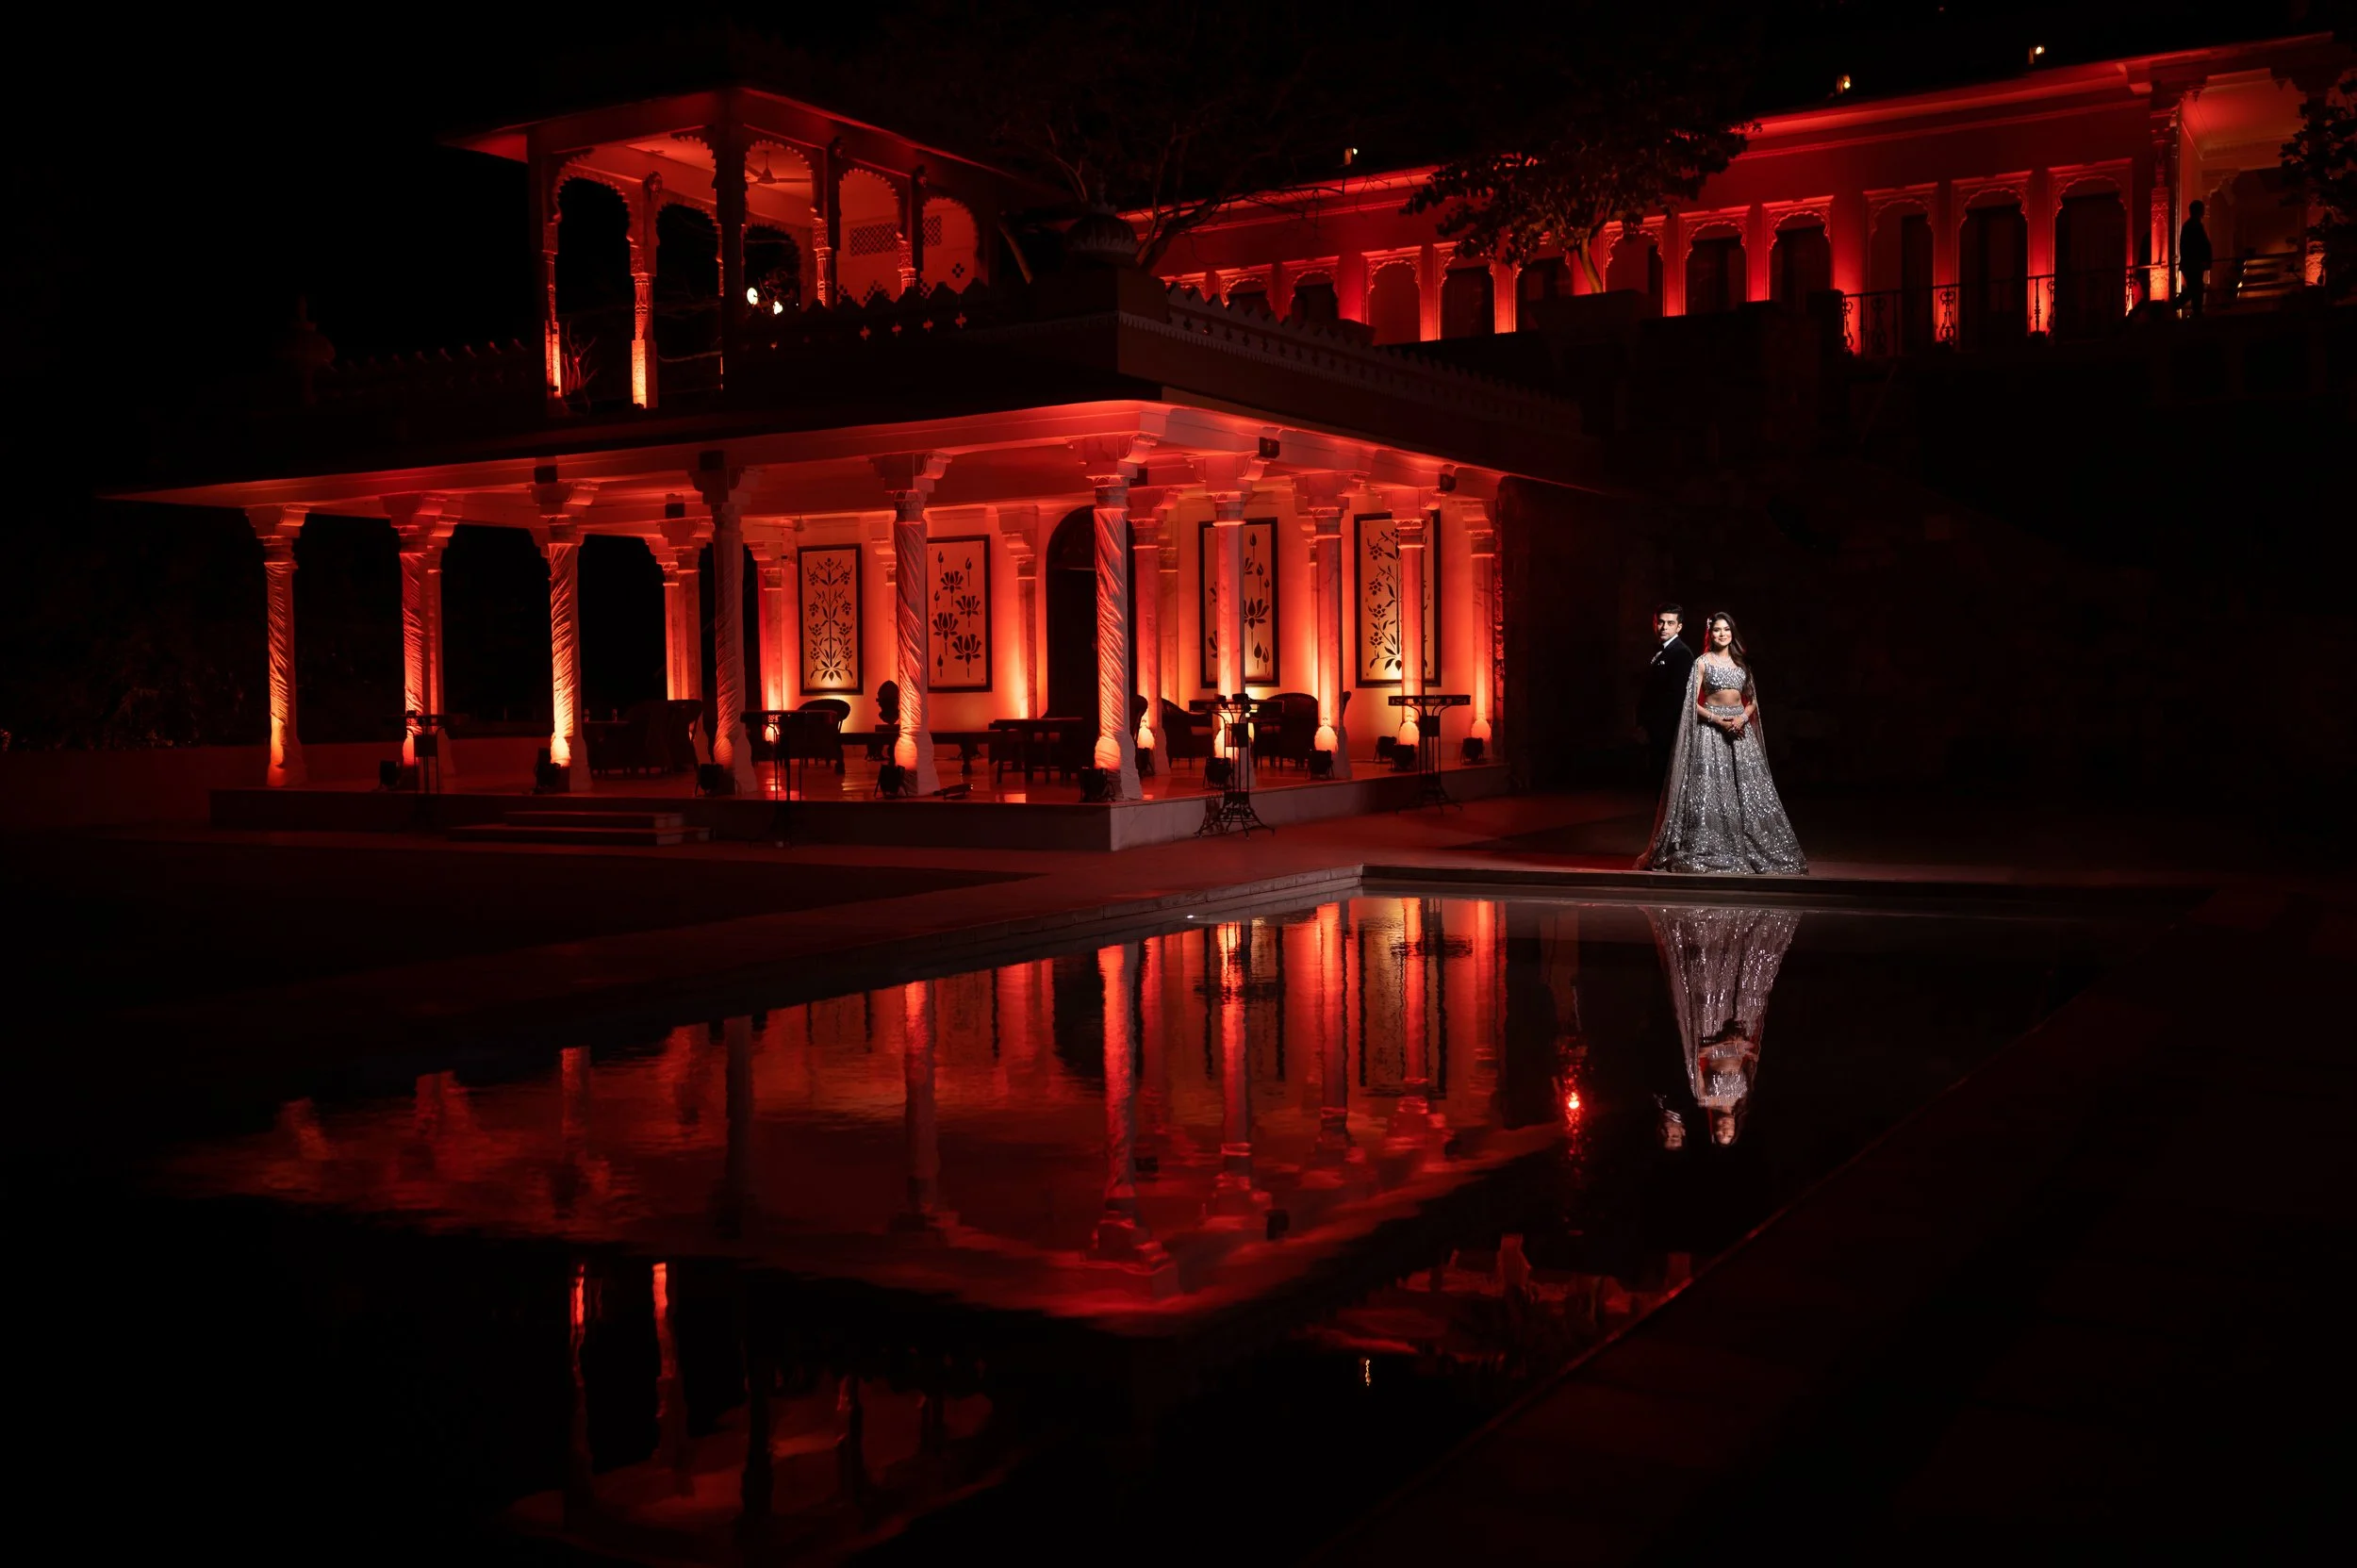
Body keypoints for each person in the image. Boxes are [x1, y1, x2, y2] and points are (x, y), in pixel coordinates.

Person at [1639, 611, 1808, 874]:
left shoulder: (1742, 665)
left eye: (1726, 630)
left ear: (1733, 633)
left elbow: (1751, 700)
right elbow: (1691, 704)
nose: (1722, 634)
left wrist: (1741, 718)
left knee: (1749, 793)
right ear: (1710, 634)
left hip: (1740, 732)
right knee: (1714, 792)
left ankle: (1752, 847)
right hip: (1711, 731)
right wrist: (1719, 720)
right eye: (1717, 630)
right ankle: (1714, 848)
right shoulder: (1701, 662)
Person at [1639, 603, 1695, 788]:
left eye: (1670, 623)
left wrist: (1656, 726)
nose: (1664, 627)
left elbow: (1677, 697)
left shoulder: (1681, 653)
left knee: (1665, 782)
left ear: (1679, 627)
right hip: (1657, 730)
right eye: (1660, 622)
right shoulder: (1661, 650)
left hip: (1668, 731)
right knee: (1657, 779)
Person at [2179, 200, 2213, 319]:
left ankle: (2192, 310)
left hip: (2190, 264)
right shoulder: (2195, 225)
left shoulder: (2188, 226)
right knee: (2196, 288)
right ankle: (2193, 311)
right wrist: (2206, 260)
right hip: (2194, 264)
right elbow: (2202, 245)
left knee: (2195, 288)